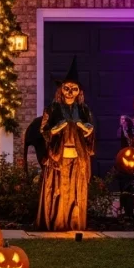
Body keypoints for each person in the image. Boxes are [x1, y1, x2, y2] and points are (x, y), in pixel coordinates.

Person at [36, 57, 95, 231]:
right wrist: (55, 129)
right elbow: (43, 131)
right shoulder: (52, 109)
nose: (70, 92)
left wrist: (86, 128)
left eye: (74, 89)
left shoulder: (84, 110)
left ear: (79, 92)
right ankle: (58, 221)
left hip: (78, 156)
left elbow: (90, 133)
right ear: (61, 90)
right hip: (58, 156)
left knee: (76, 190)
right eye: (66, 88)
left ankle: (74, 222)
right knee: (58, 189)